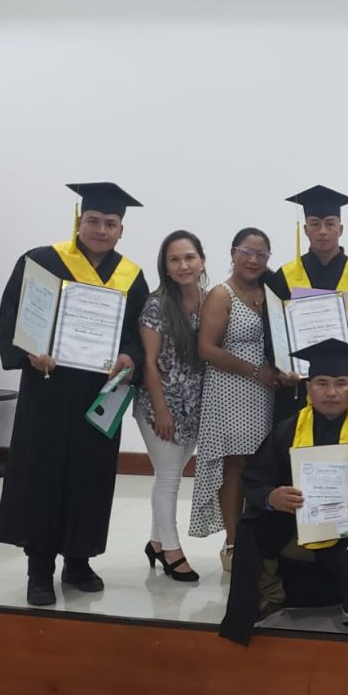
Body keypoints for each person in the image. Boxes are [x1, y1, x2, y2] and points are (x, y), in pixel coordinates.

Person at [0, 182, 150, 606]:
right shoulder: (42, 261)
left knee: (91, 476)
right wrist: (30, 350)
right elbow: (15, 314)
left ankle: (79, 561)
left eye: (110, 224)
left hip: (100, 393)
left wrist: (130, 356)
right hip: (48, 387)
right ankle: (39, 569)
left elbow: (140, 333)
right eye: (94, 221)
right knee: (42, 474)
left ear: (121, 230)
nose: (101, 230)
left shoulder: (131, 276)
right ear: (80, 221)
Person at [219, 339, 348, 646]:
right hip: (298, 524)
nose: (331, 392)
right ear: (308, 388)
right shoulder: (288, 430)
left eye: (340, 383)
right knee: (253, 526)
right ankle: (271, 595)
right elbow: (255, 479)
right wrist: (272, 497)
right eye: (322, 383)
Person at [191, 228, 286, 570]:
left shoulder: (271, 292)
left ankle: (255, 539)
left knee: (259, 465)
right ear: (233, 253)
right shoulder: (222, 294)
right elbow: (206, 348)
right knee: (234, 466)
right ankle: (233, 544)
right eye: (246, 252)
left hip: (265, 393)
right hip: (229, 391)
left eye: (261, 254)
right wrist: (255, 371)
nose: (253, 260)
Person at [135, 230, 207, 583]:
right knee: (168, 478)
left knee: (170, 474)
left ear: (202, 261)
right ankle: (173, 552)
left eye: (189, 257)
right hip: (158, 405)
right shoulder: (157, 305)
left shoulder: (209, 300)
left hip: (194, 406)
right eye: (174, 259)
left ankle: (156, 542)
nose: (183, 265)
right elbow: (149, 363)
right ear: (165, 266)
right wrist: (161, 410)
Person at [268, 184, 348, 420]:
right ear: (305, 229)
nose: (323, 231)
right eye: (315, 224)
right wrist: (281, 367)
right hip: (297, 385)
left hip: (346, 383)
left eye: (330, 224)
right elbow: (272, 329)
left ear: (340, 229)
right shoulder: (285, 276)